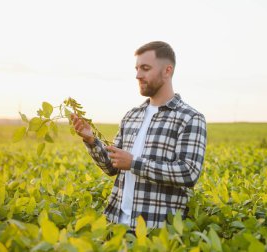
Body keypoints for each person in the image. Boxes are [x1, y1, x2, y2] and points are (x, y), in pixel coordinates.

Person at [71, 41, 207, 231]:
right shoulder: (132, 116)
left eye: (145, 68)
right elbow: (112, 167)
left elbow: (189, 173)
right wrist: (90, 140)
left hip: (156, 231)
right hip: (116, 224)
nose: (138, 75)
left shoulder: (190, 118)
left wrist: (134, 163)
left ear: (167, 71)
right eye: (136, 68)